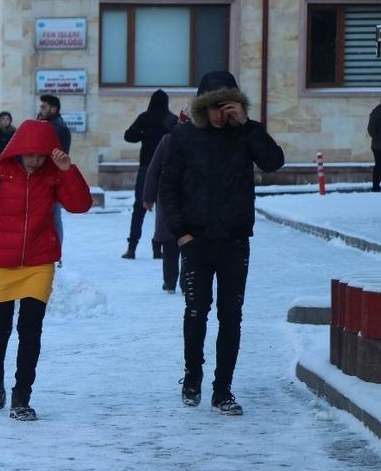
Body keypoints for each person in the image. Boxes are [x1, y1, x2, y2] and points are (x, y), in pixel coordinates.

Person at [159, 71, 284, 416]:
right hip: (196, 241)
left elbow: (274, 162)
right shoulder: (183, 137)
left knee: (231, 317)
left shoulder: (244, 134)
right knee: (197, 311)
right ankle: (192, 376)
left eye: (226, 107)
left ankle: (223, 390)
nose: (219, 115)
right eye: (212, 108)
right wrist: (181, 234)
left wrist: (247, 125)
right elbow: (167, 188)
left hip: (234, 241)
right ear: (201, 107)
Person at [0, 119, 92, 421]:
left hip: (38, 261)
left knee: (30, 330)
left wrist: (68, 171)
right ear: (18, 150)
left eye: (40, 155)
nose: (34, 160)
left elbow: (81, 205)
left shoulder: (53, 176)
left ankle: (22, 397)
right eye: (29, 154)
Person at [121, 89, 178, 260]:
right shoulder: (172, 120)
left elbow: (129, 136)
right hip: (166, 169)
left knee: (139, 208)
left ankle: (132, 247)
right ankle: (157, 247)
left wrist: (143, 133)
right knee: (164, 210)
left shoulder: (145, 118)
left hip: (146, 168)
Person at [143, 107, 190, 295]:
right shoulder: (168, 140)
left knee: (184, 243)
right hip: (171, 197)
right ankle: (173, 282)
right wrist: (148, 197)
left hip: (189, 198)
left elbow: (153, 170)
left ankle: (179, 282)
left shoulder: (198, 141)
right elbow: (153, 170)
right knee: (174, 243)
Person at [38, 94, 72, 265]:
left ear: (54, 108)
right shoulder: (48, 125)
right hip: (45, 176)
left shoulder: (58, 128)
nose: (41, 110)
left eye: (44, 107)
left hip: (51, 178)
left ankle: (55, 252)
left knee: (54, 215)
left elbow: (55, 155)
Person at [367, 96, 381, 192]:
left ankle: (376, 186)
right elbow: (371, 129)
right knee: (379, 166)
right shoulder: (377, 112)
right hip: (378, 146)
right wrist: (378, 139)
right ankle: (375, 187)